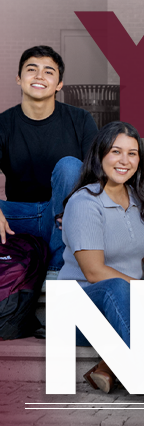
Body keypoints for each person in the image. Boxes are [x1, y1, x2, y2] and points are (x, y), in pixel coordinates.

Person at [58, 122, 144, 401]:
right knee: (118, 288)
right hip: (80, 310)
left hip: (129, 306)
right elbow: (94, 271)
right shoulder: (84, 202)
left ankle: (108, 366)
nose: (125, 161)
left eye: (133, 153)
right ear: (101, 155)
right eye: (116, 151)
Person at [0, 46, 97, 272]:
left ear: (59, 84)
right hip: (19, 216)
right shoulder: (3, 124)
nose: (39, 77)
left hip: (65, 217)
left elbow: (97, 172)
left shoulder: (80, 119)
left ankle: (58, 265)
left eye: (48, 72)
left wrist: (82, 213)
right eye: (31, 69)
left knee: (70, 166)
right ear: (18, 78)